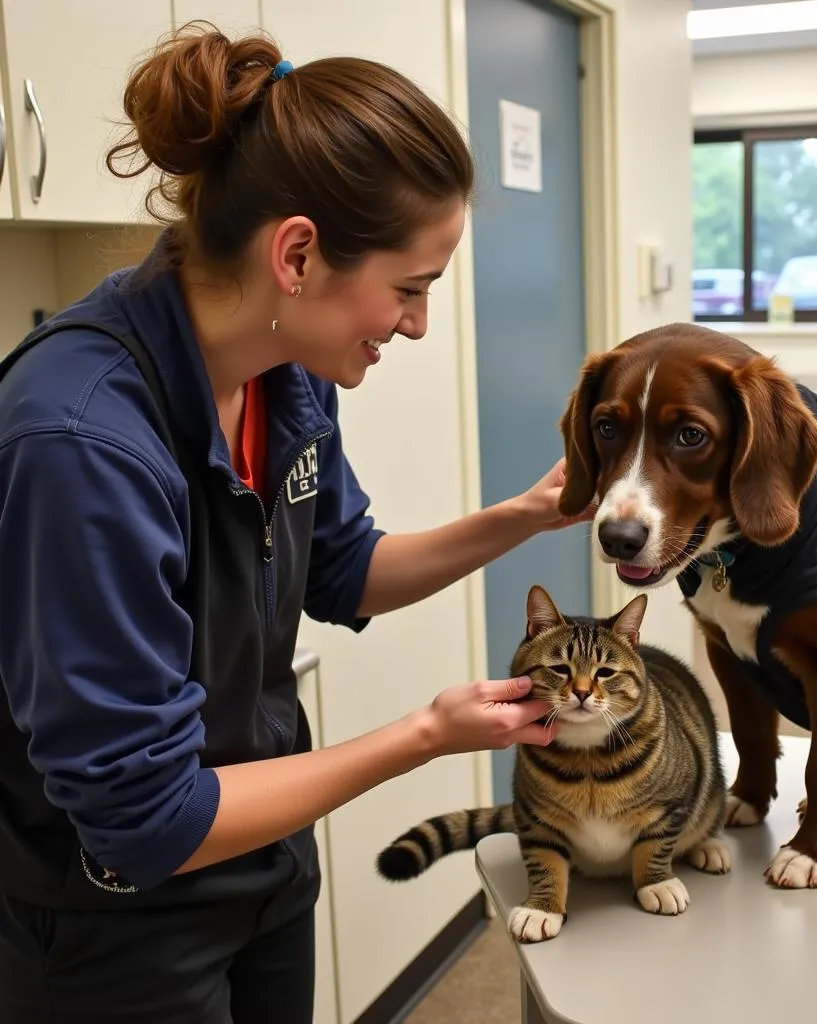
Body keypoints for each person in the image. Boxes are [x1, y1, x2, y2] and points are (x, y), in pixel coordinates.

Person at [0, 22, 589, 1024]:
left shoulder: (286, 380)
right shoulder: (80, 442)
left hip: (263, 867)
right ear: (299, 254)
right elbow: (145, 819)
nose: (415, 324)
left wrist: (529, 514)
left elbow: (344, 571)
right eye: (410, 288)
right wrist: (421, 736)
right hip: (115, 922)